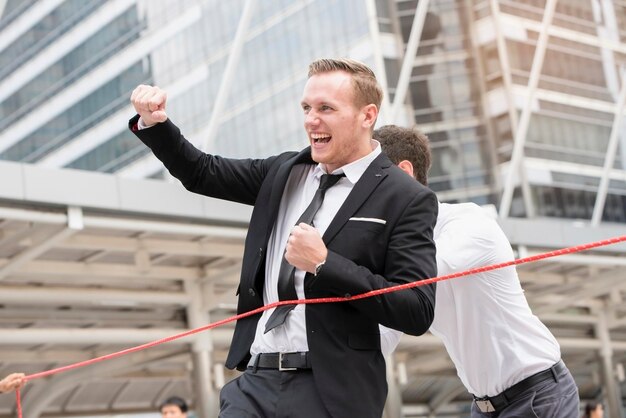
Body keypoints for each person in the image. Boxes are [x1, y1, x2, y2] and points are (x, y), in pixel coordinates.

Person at [129, 58, 438, 418]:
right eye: (306, 108)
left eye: (326, 108)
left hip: (329, 392)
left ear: (367, 116)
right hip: (255, 381)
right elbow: (202, 172)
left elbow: (417, 309)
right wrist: (155, 123)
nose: (311, 120)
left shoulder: (406, 197)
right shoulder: (286, 171)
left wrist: (325, 264)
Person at [376, 125, 579, 417]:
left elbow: (417, 279)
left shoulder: (468, 224)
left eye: (368, 181)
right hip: (484, 407)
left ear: (403, 173)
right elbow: (385, 328)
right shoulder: (401, 253)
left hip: (537, 396)